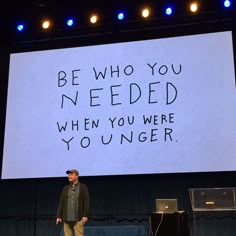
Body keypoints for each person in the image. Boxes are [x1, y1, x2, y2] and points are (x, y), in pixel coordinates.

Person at [56, 169, 90, 236]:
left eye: (71, 174)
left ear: (77, 176)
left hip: (78, 219)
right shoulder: (65, 188)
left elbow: (86, 202)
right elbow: (61, 202)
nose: (69, 176)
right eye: (68, 175)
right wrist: (58, 216)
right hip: (67, 219)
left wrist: (85, 215)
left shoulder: (83, 187)